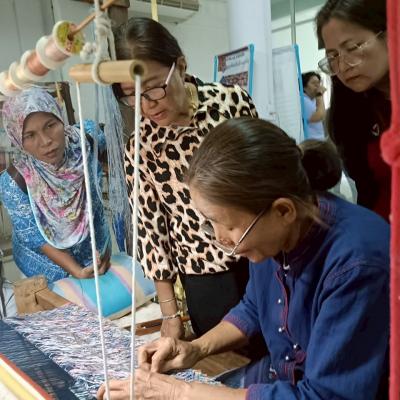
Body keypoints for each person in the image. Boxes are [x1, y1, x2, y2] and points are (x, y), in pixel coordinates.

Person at [98, 117, 389, 400]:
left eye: (229, 226)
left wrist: (177, 392)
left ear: (283, 211)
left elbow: (325, 395)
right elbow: (254, 307)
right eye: (211, 223)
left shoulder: (356, 264)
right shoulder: (273, 233)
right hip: (284, 376)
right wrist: (196, 349)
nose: (220, 238)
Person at [112, 17, 259, 339]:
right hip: (205, 274)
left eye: (154, 87)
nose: (146, 105)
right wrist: (170, 314)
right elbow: (150, 230)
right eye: (131, 95)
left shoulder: (230, 103)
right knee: (226, 359)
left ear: (180, 65)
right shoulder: (141, 146)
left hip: (260, 255)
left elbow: (266, 176)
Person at [0, 88, 111, 283]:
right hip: (47, 267)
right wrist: (77, 271)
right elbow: (37, 239)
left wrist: (103, 254)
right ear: (18, 139)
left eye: (50, 125)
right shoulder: (14, 182)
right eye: (30, 135)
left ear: (61, 120)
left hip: (96, 250)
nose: (46, 141)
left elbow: (111, 146)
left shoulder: (86, 141)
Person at [316, 0, 391, 221]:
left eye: (352, 48)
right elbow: (367, 189)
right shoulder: (352, 114)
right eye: (333, 57)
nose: (343, 66)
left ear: (390, 35)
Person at [301, 71, 326, 140]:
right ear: (304, 87)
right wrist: (319, 95)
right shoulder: (303, 99)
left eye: (318, 83)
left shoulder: (313, 99)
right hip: (312, 141)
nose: (318, 86)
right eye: (313, 83)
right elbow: (320, 116)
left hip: (318, 139)